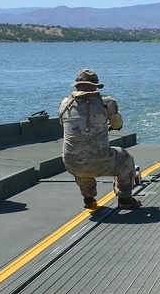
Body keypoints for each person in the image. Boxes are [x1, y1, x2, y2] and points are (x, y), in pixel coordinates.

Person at [58, 69, 141, 210]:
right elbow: (117, 124)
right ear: (95, 86)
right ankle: (125, 199)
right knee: (125, 158)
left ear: (77, 85)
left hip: (72, 163)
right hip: (101, 162)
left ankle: (88, 199)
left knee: (79, 157)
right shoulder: (106, 102)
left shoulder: (65, 104)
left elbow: (63, 124)